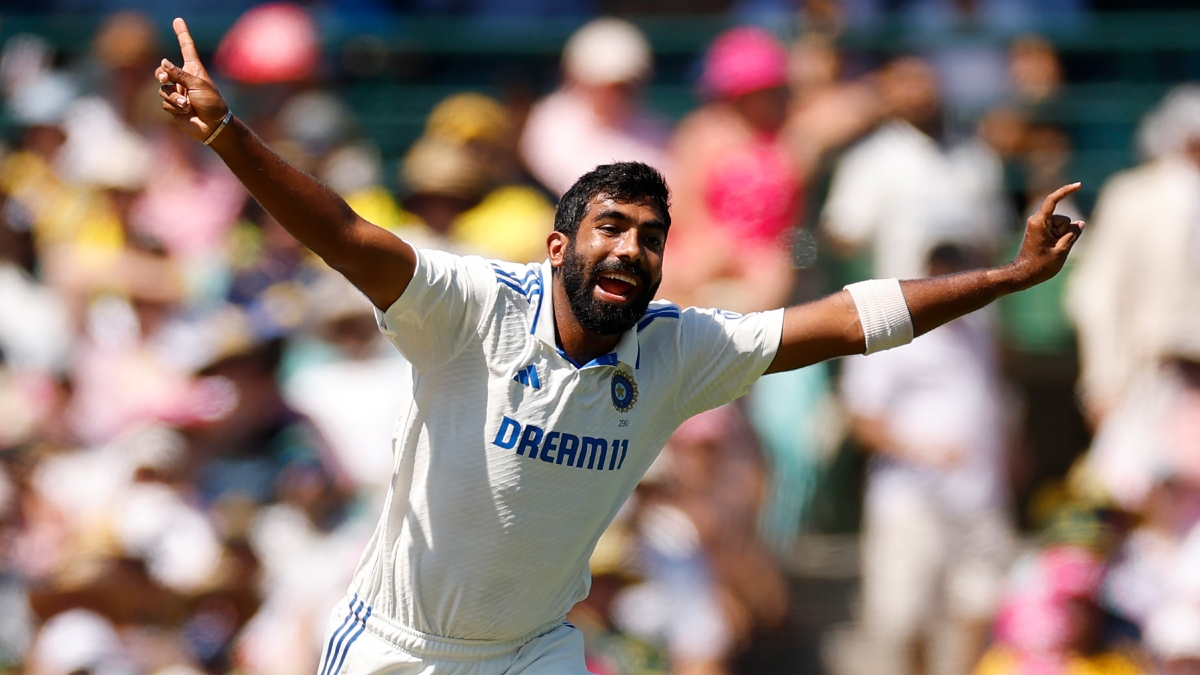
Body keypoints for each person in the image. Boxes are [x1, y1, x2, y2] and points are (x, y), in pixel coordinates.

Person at [156, 17, 1084, 675]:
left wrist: (1007, 277)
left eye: (650, 236)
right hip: (398, 646)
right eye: (611, 227)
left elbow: (848, 317)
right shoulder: (472, 307)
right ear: (557, 245)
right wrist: (228, 133)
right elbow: (346, 233)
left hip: (534, 652)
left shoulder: (679, 347)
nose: (632, 250)